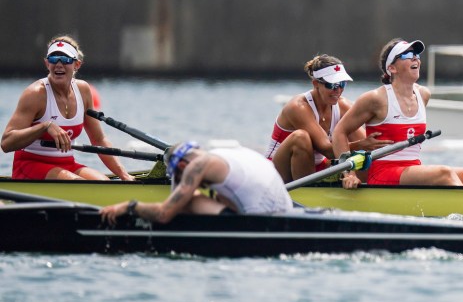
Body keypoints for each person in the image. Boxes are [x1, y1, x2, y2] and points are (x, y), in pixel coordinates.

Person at [332, 39, 463, 187]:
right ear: (392, 68)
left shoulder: (423, 94)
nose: (414, 58)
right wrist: (349, 174)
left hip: (412, 168)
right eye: (406, 55)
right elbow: (339, 132)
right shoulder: (375, 98)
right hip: (383, 172)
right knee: (445, 173)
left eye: (416, 54)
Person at [2, 36, 135, 181]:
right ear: (47, 63)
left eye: (65, 59)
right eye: (53, 59)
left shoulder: (83, 90)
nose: (58, 64)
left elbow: (99, 139)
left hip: (66, 164)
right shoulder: (35, 94)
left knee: (105, 183)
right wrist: (44, 127)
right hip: (30, 165)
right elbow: (6, 143)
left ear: (77, 64)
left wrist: (124, 175)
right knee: (80, 185)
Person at [99, 141, 294, 223]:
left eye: (178, 176)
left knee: (190, 199)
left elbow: (164, 214)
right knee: (217, 195)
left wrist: (130, 206)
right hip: (286, 211)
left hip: (260, 220)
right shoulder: (231, 153)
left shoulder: (197, 166)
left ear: (183, 166)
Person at [265, 54, 376, 183]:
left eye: (342, 84)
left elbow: (368, 142)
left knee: (361, 146)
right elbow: (327, 150)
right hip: (277, 171)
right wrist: (361, 145)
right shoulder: (298, 107)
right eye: (332, 85)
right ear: (316, 83)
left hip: (316, 168)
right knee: (301, 137)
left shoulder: (343, 106)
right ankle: (307, 194)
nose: (338, 90)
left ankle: (369, 185)